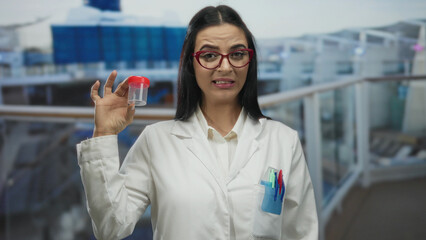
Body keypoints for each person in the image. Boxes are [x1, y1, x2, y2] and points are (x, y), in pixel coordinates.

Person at [77, 5, 318, 240]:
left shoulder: (283, 141)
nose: (225, 66)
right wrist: (104, 134)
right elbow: (110, 227)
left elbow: (302, 232)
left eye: (237, 54)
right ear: (191, 63)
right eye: (209, 55)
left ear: (249, 61)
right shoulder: (156, 141)